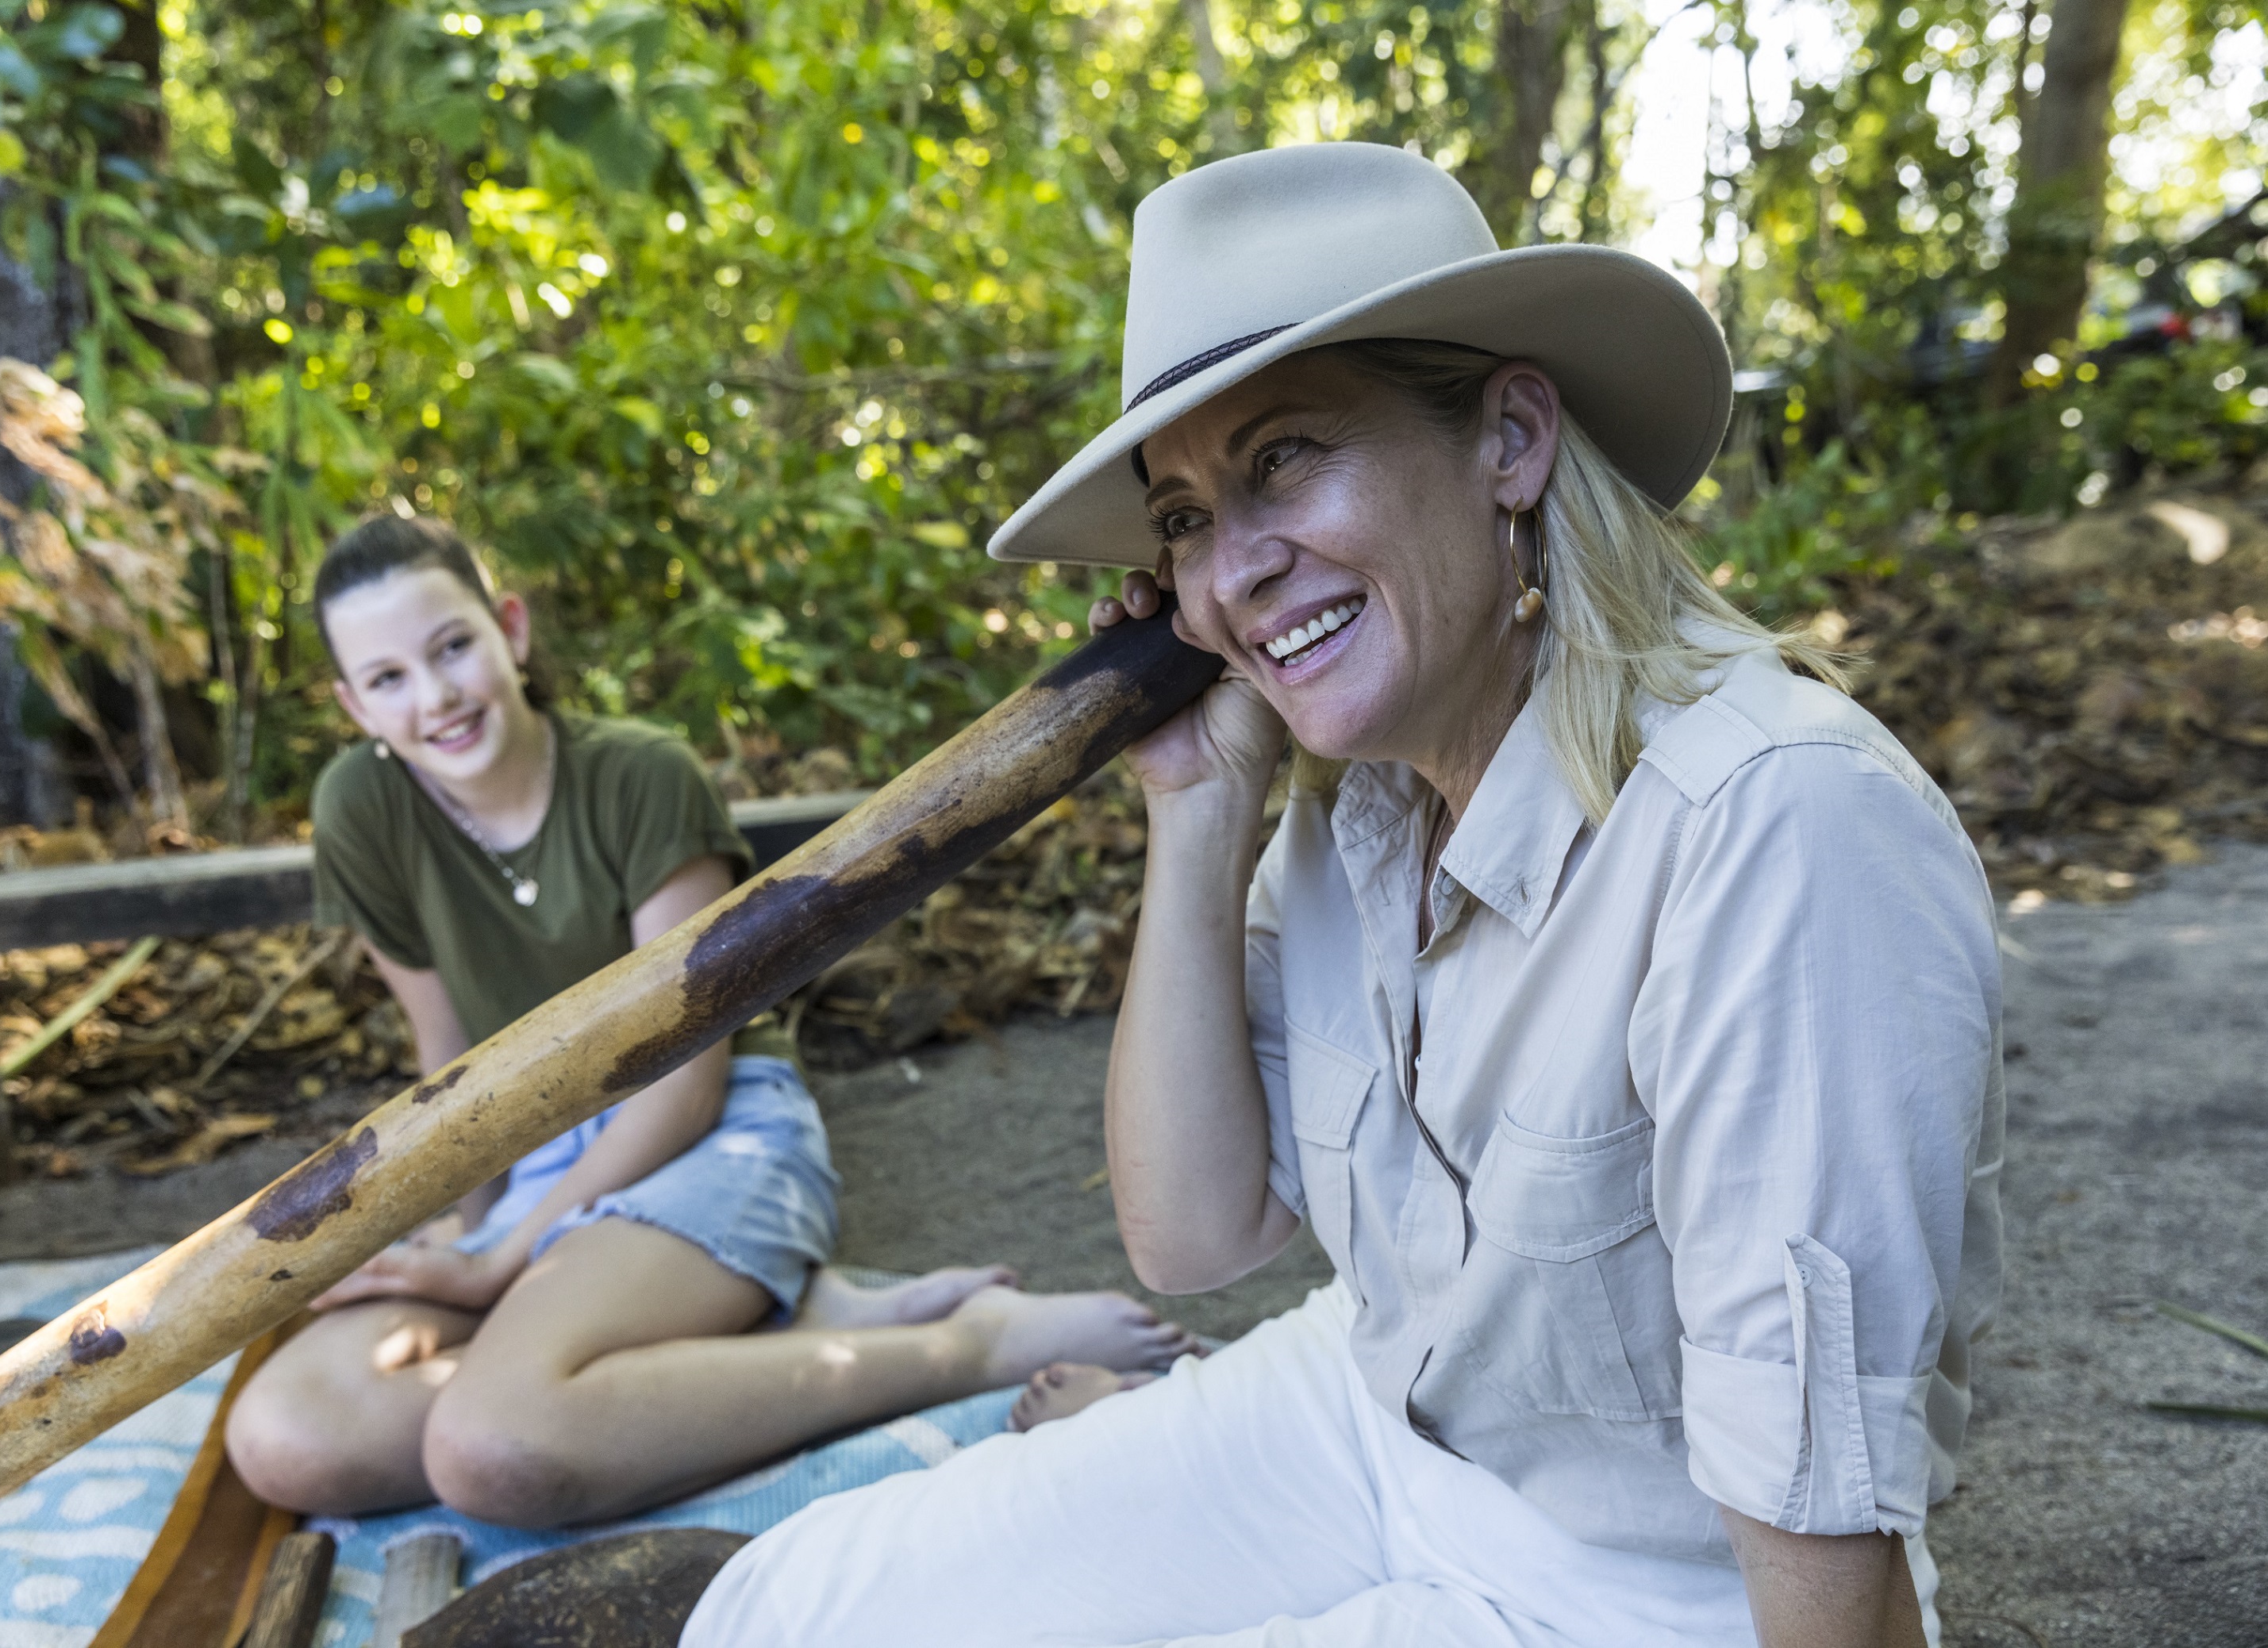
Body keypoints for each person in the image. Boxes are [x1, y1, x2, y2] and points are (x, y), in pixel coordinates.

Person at [681, 142, 2002, 1647]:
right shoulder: (1357, 810)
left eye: (1283, 459)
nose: (1225, 574)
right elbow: (1190, 1234)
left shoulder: (1771, 820)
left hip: (1656, 1581)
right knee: (777, 1610)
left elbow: (1811, 1488)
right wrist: (1198, 805)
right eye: (1178, 517)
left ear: (1508, 438)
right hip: (1366, 1417)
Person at [224, 515, 1197, 1527]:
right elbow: (444, 1055)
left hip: (708, 1127)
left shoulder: (638, 776)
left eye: (452, 646)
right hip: (539, 1155)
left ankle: (969, 1343)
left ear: (509, 628)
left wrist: (501, 1268)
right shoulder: (361, 809)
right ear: (351, 704)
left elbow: (685, 1076)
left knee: (497, 1447)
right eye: (385, 680)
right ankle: (760, 1322)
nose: (433, 698)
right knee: (295, 1430)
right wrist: (468, 1237)